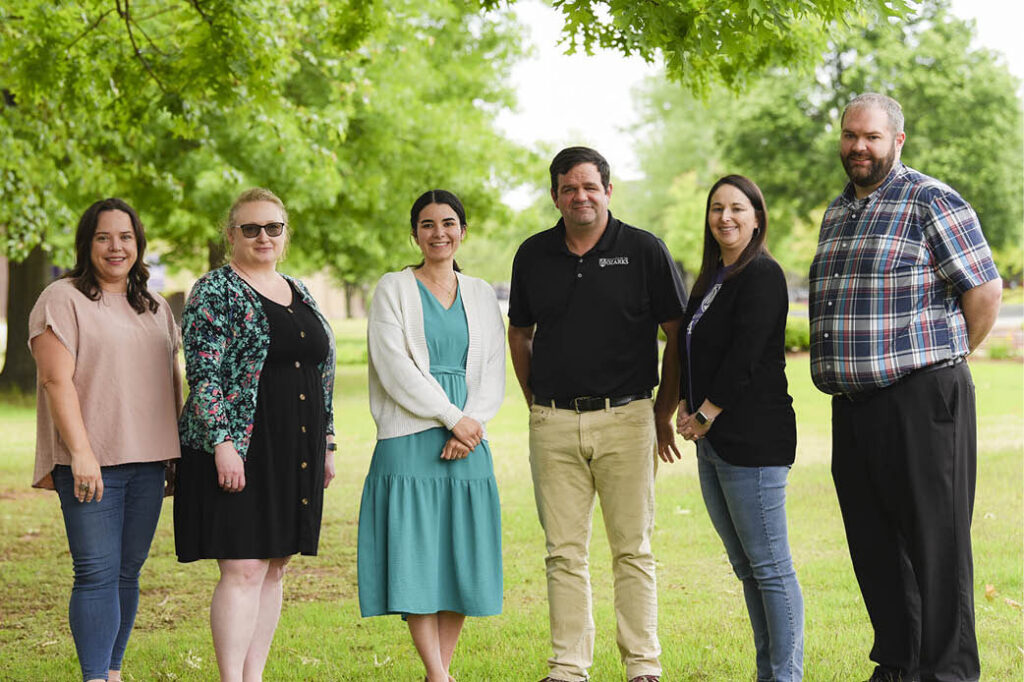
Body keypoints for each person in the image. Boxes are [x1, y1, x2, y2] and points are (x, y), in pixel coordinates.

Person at [809, 93, 1002, 682]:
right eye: (849, 135)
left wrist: (947, 356)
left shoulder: (930, 200)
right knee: (873, 542)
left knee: (935, 545)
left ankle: (949, 672)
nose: (858, 146)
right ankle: (898, 661)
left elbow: (985, 291)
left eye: (870, 136)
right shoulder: (838, 212)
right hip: (855, 405)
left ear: (897, 141)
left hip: (923, 397)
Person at [508, 146, 686, 682]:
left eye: (589, 186)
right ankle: (567, 667)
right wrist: (536, 400)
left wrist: (662, 410)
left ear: (608, 190)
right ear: (555, 195)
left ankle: (643, 667)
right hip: (553, 423)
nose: (580, 196)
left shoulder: (644, 250)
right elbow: (519, 333)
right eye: (568, 188)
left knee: (632, 549)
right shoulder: (533, 254)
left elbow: (676, 336)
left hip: (627, 418)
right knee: (563, 552)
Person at [174, 188, 337, 682]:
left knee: (274, 566)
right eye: (250, 228)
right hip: (241, 447)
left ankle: (254, 676)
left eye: (273, 227)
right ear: (230, 235)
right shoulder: (215, 289)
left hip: (296, 448)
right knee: (242, 567)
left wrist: (327, 442)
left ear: (285, 234)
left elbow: (322, 373)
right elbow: (203, 373)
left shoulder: (300, 289)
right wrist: (223, 443)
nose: (263, 236)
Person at [29, 198, 182, 682]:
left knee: (127, 573)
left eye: (125, 237)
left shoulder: (155, 307)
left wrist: (175, 453)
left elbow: (169, 381)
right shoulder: (62, 298)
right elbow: (57, 382)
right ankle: (94, 677)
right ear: (86, 244)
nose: (116, 247)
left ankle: (113, 673)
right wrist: (80, 454)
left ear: (138, 244)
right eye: (103, 237)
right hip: (90, 462)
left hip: (149, 462)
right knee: (95, 574)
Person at [357, 189, 505, 682]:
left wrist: (470, 426)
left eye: (448, 223)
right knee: (416, 556)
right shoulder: (393, 289)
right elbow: (394, 367)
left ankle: (440, 672)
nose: (438, 232)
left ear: (463, 230)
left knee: (460, 553)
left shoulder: (482, 293)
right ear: (415, 233)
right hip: (410, 438)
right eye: (427, 224)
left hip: (469, 439)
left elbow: (492, 370)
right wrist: (450, 418)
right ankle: (438, 674)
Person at [675, 175, 803, 681]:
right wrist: (690, 411)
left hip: (752, 440)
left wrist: (704, 412)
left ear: (756, 217)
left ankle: (785, 675)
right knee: (748, 567)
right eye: (716, 209)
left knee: (771, 567)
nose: (724, 217)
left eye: (736, 208)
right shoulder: (713, 277)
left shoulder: (762, 274)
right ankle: (767, 673)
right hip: (715, 441)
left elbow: (746, 356)